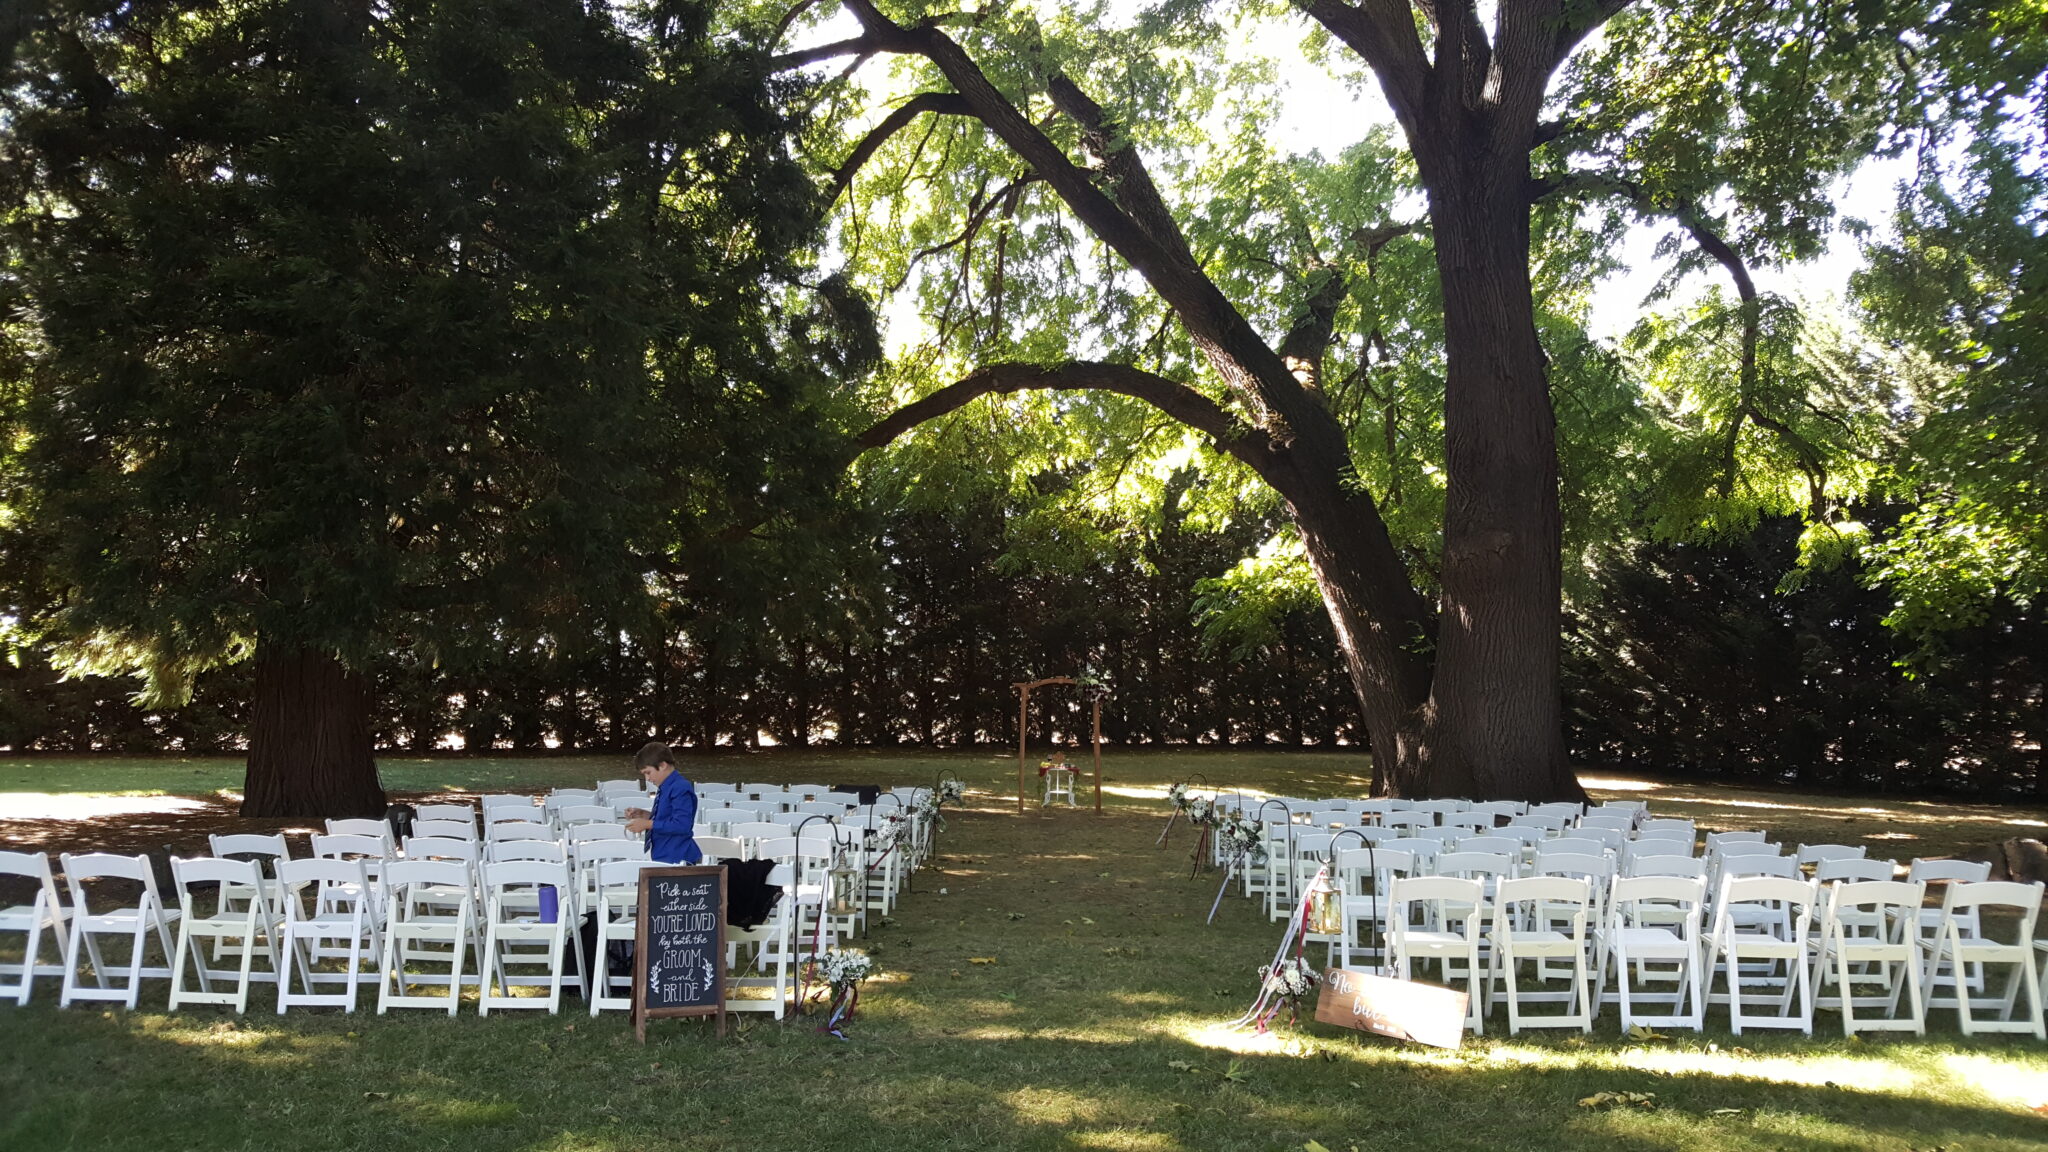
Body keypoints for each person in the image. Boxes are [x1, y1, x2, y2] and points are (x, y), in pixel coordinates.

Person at [623, 741, 700, 865]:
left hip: (677, 856)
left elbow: (682, 825)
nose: (647, 779)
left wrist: (647, 824)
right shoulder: (666, 786)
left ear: (663, 765)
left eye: (648, 772)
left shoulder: (680, 788)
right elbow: (667, 818)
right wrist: (644, 815)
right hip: (664, 853)